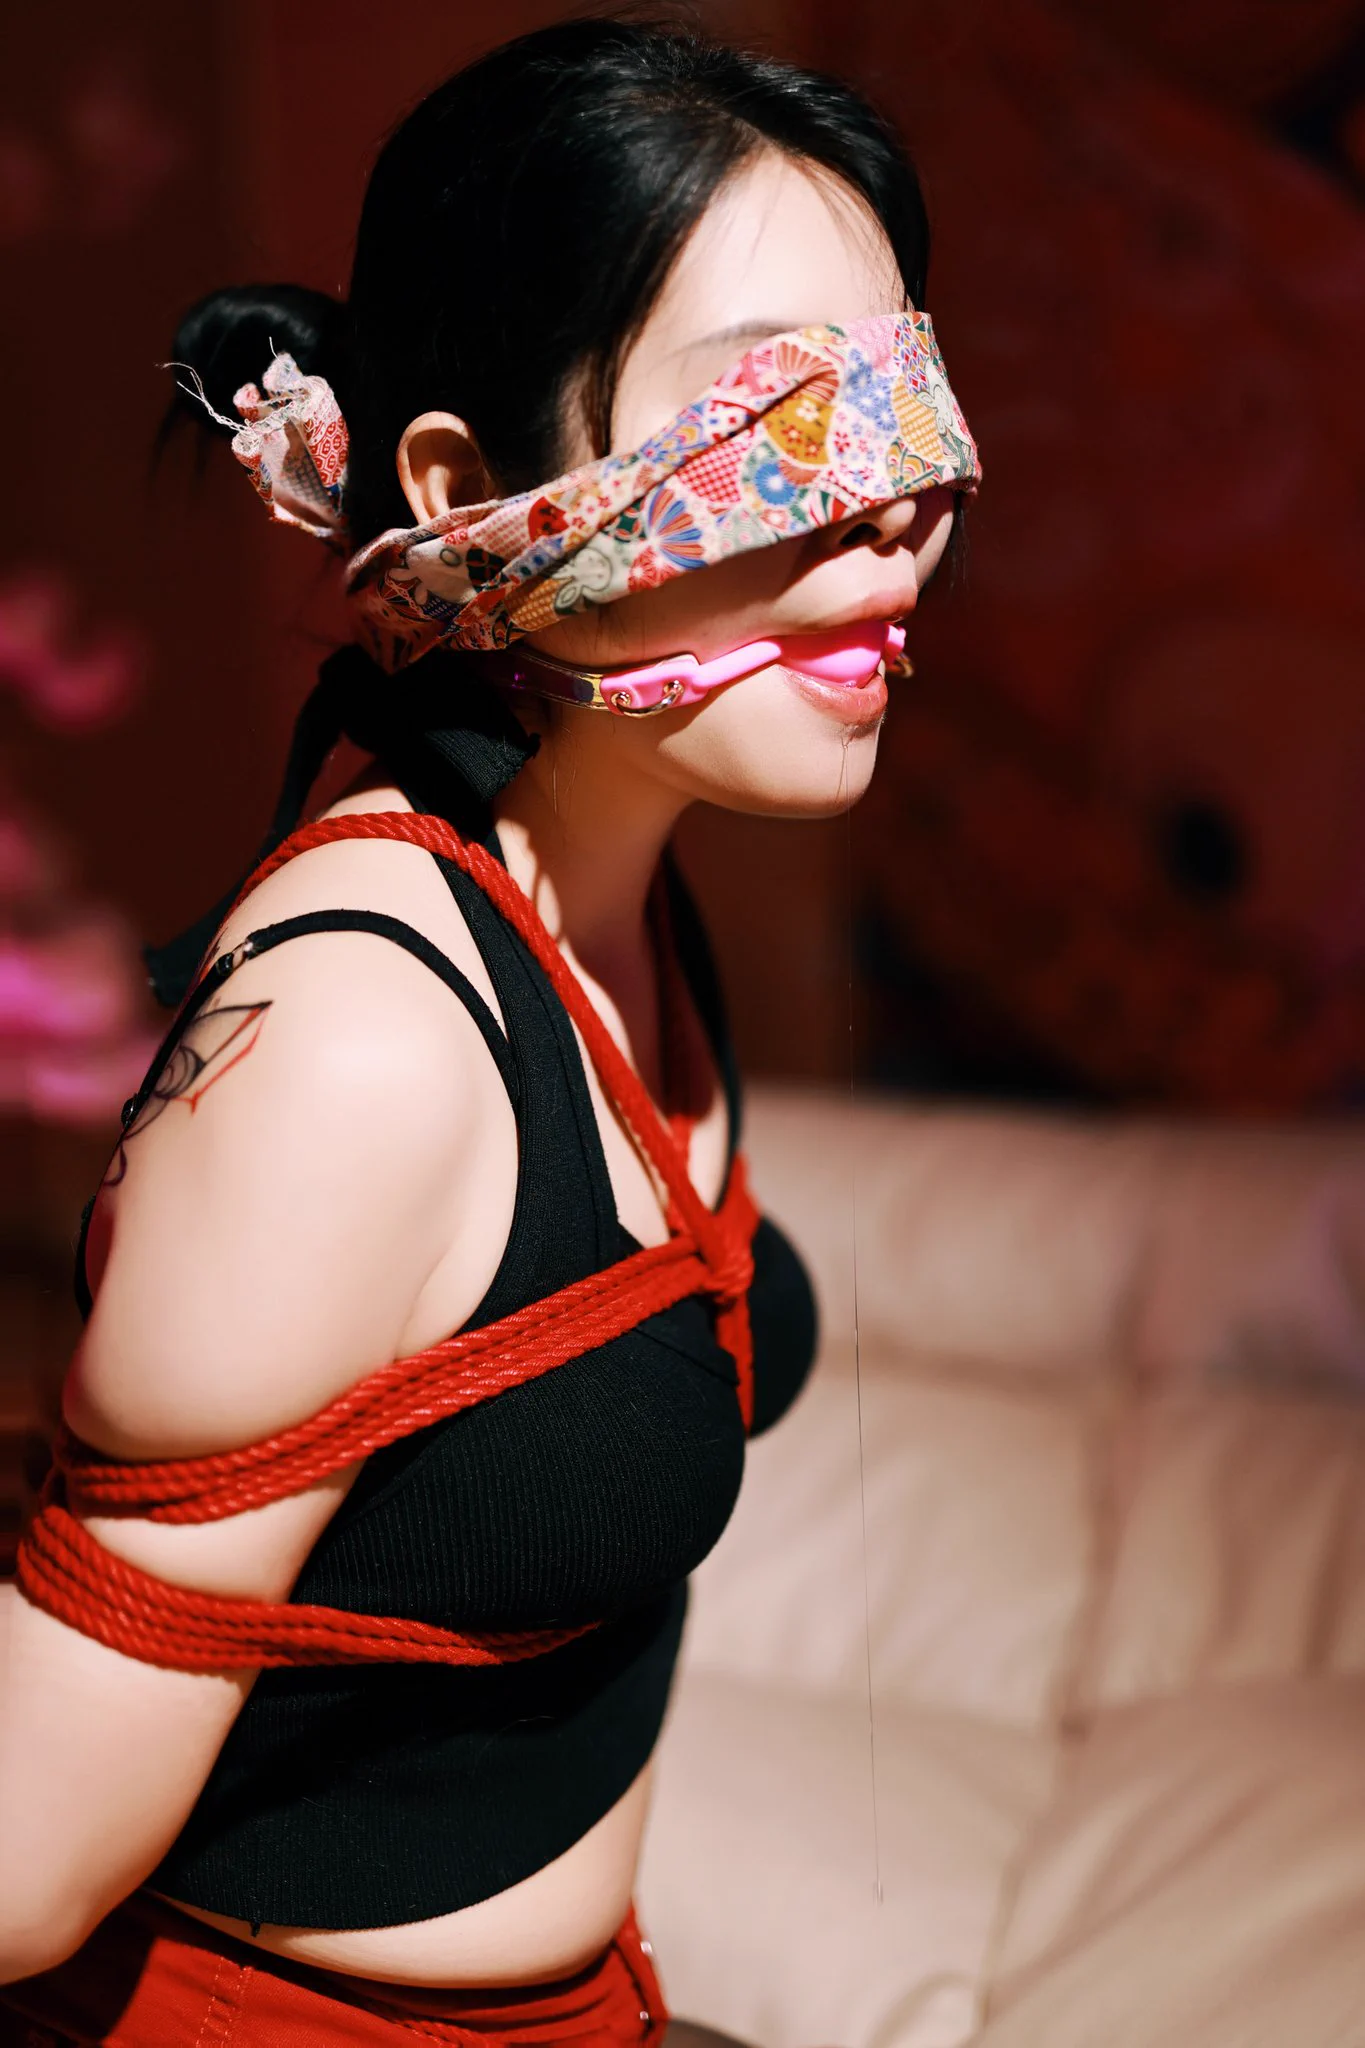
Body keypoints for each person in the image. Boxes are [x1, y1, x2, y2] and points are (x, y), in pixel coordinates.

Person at [0, 17, 977, 2044]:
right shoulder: (361, 1037)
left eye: (905, 392)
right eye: (792, 417)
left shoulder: (620, 886)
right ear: (464, 492)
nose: (899, 499)